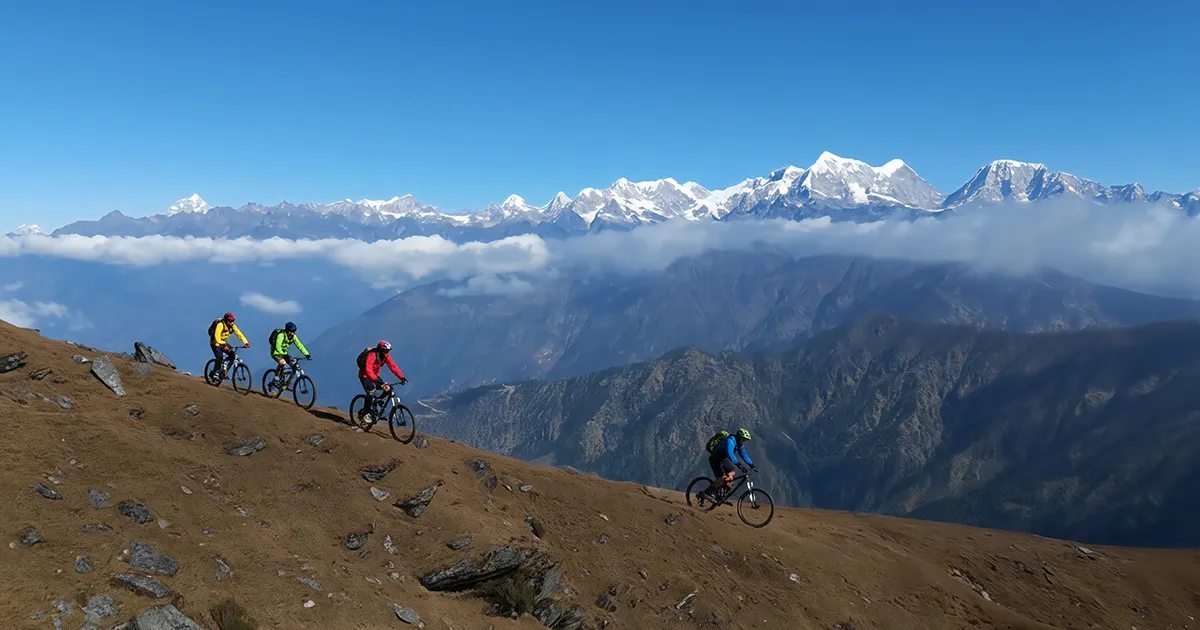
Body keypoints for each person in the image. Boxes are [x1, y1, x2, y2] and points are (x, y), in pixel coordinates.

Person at [705, 428, 755, 500]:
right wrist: (739, 465)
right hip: (715, 459)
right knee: (721, 478)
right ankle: (707, 492)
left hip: (723, 460)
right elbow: (730, 454)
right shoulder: (730, 441)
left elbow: (744, 455)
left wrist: (752, 465)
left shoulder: (739, 445)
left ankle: (722, 496)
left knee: (732, 472)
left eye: (745, 440)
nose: (743, 442)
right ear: (739, 438)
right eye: (743, 440)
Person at [209, 312, 250, 378]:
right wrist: (223, 345)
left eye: (233, 320)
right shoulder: (220, 325)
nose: (232, 322)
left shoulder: (232, 326)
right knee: (220, 357)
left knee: (232, 356)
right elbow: (217, 337)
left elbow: (239, 334)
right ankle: (214, 372)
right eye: (230, 321)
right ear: (226, 320)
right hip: (215, 343)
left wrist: (246, 342)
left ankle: (225, 371)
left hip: (223, 342)